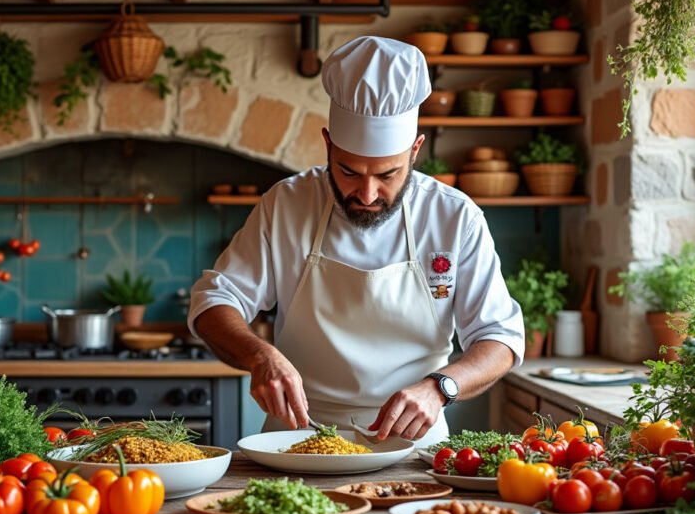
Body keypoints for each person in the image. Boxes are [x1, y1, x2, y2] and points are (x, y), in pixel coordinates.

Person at [188, 36, 525, 447]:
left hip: (415, 446)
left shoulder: (455, 217)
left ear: (415, 150)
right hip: (299, 440)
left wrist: (440, 388)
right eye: (348, 171)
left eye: (386, 175)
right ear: (328, 144)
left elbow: (500, 337)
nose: (366, 194)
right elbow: (213, 300)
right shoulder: (287, 204)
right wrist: (259, 355)